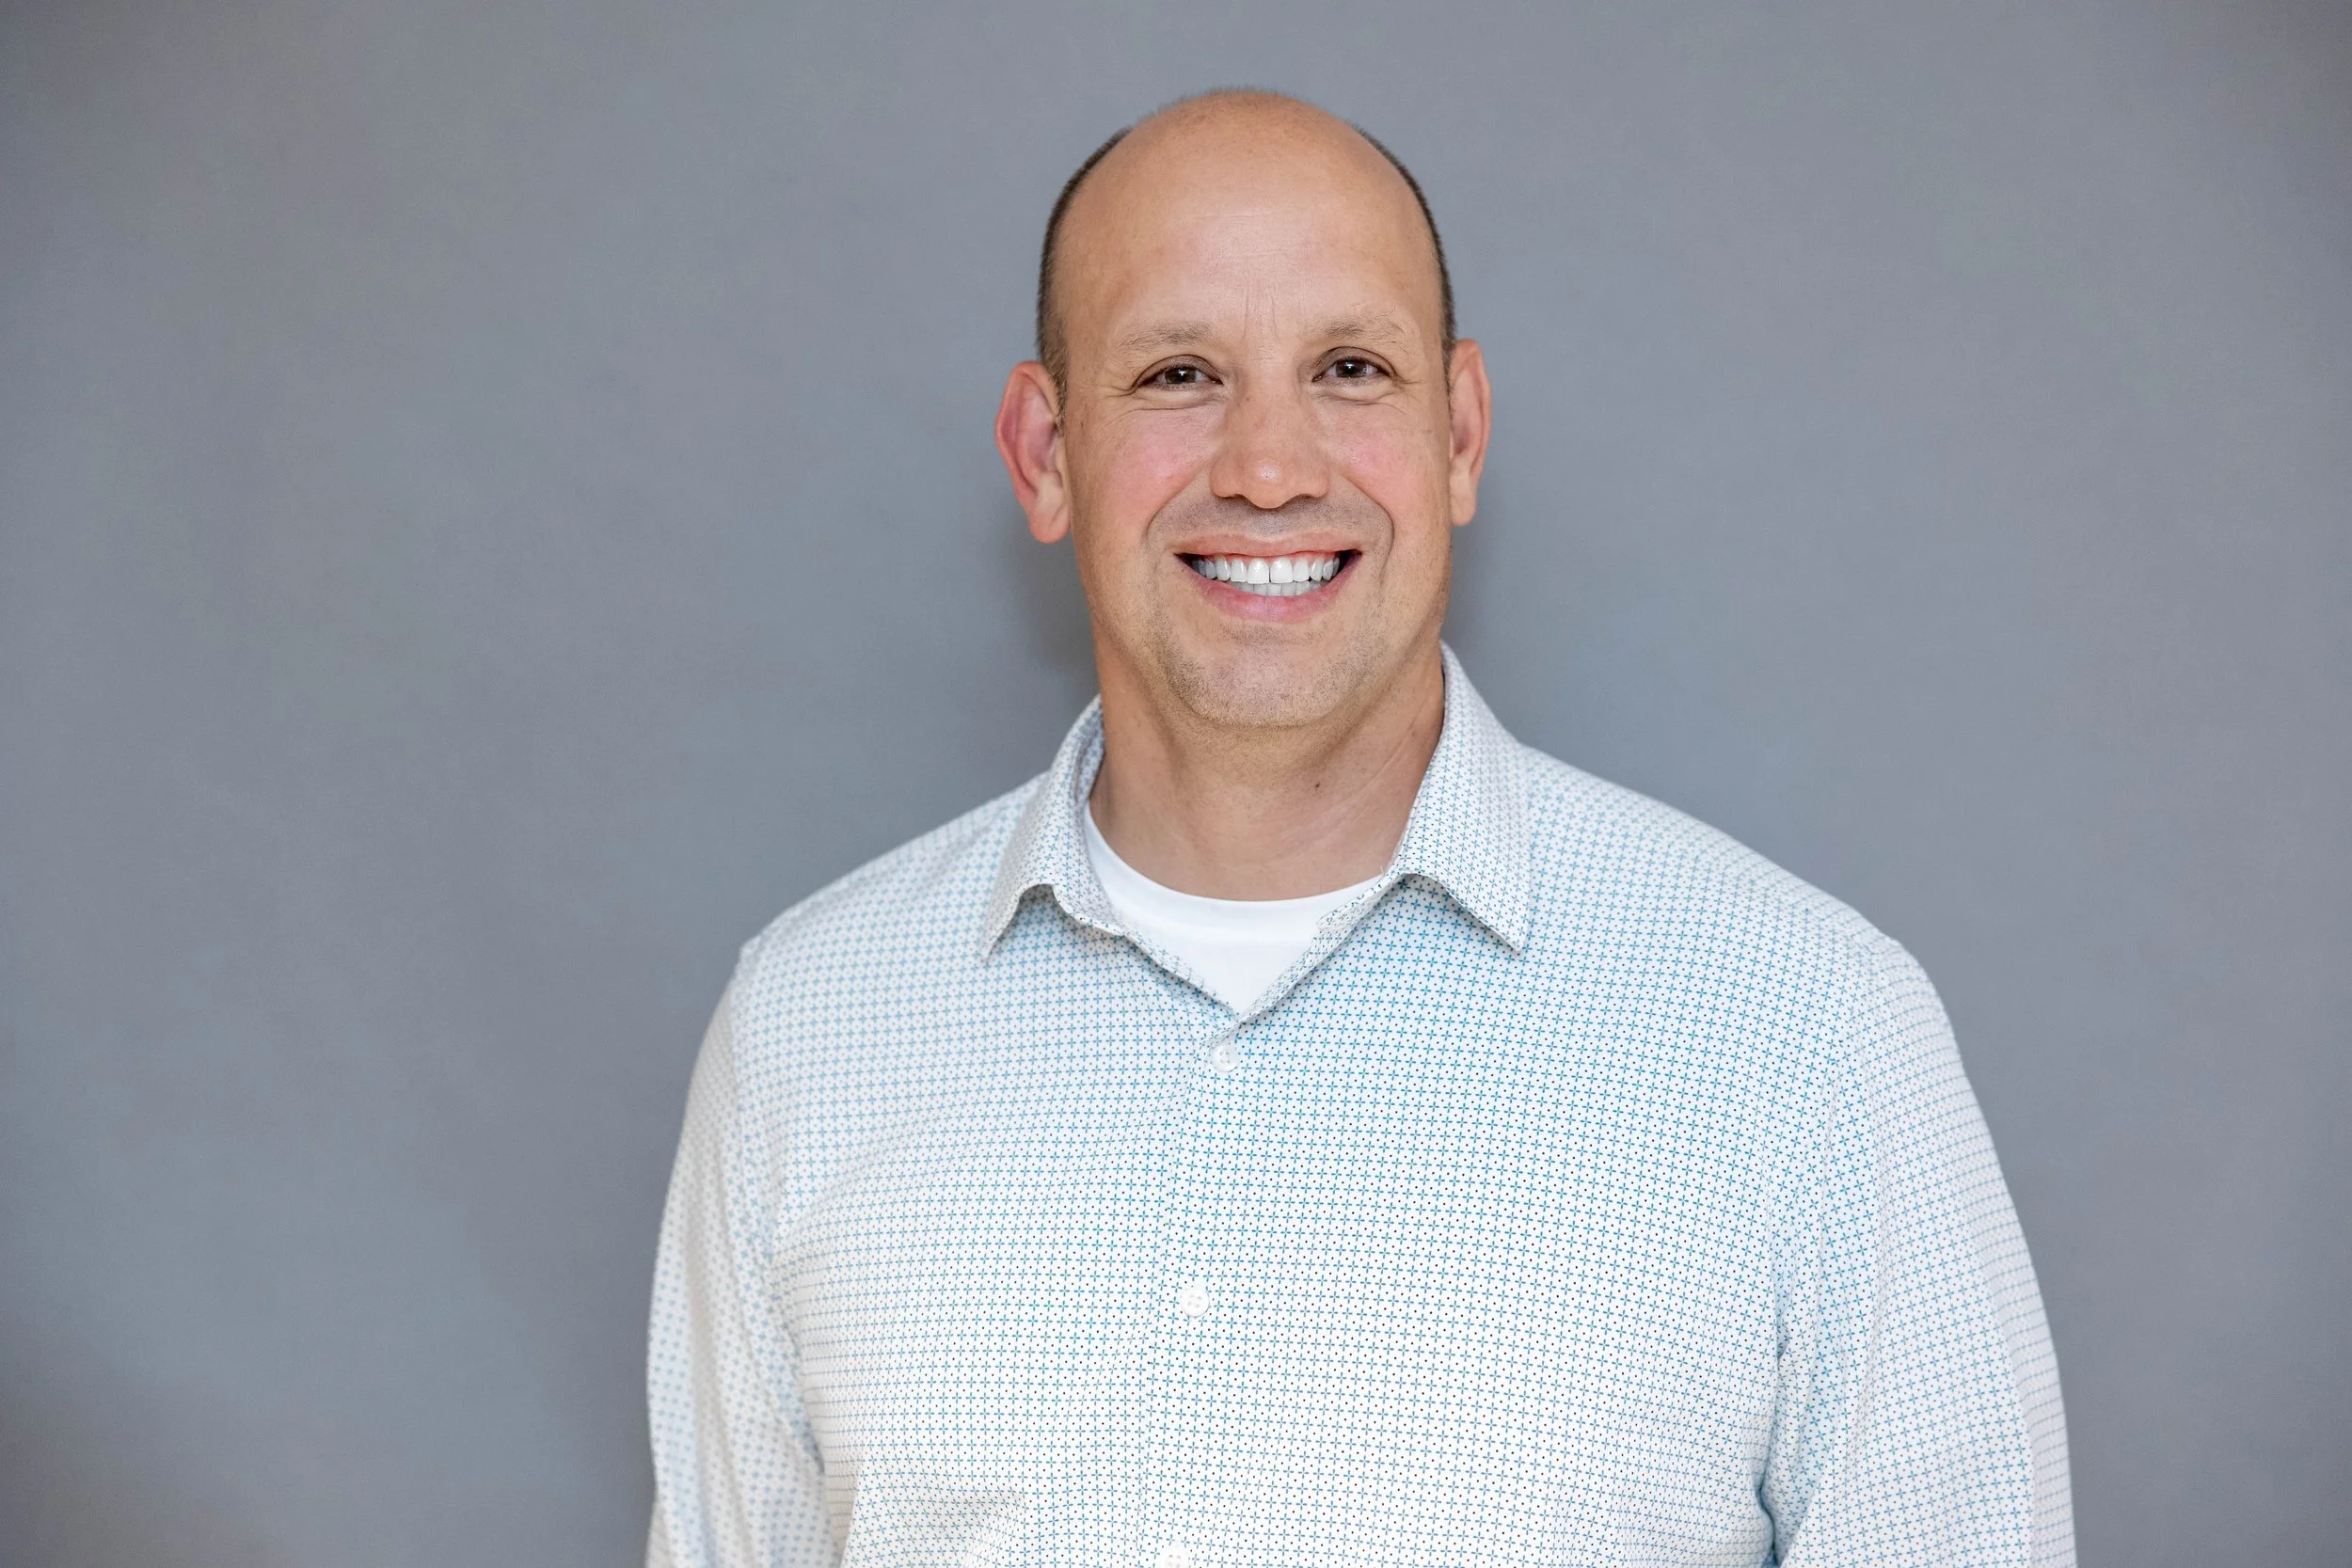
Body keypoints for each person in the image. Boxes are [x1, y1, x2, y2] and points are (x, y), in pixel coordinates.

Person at [644, 90, 2072, 1567]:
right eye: (1180, 371)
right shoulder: (806, 1033)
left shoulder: (1809, 1038)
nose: (1271, 465)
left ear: (1457, 433)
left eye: (1349, 367)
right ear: (1045, 452)